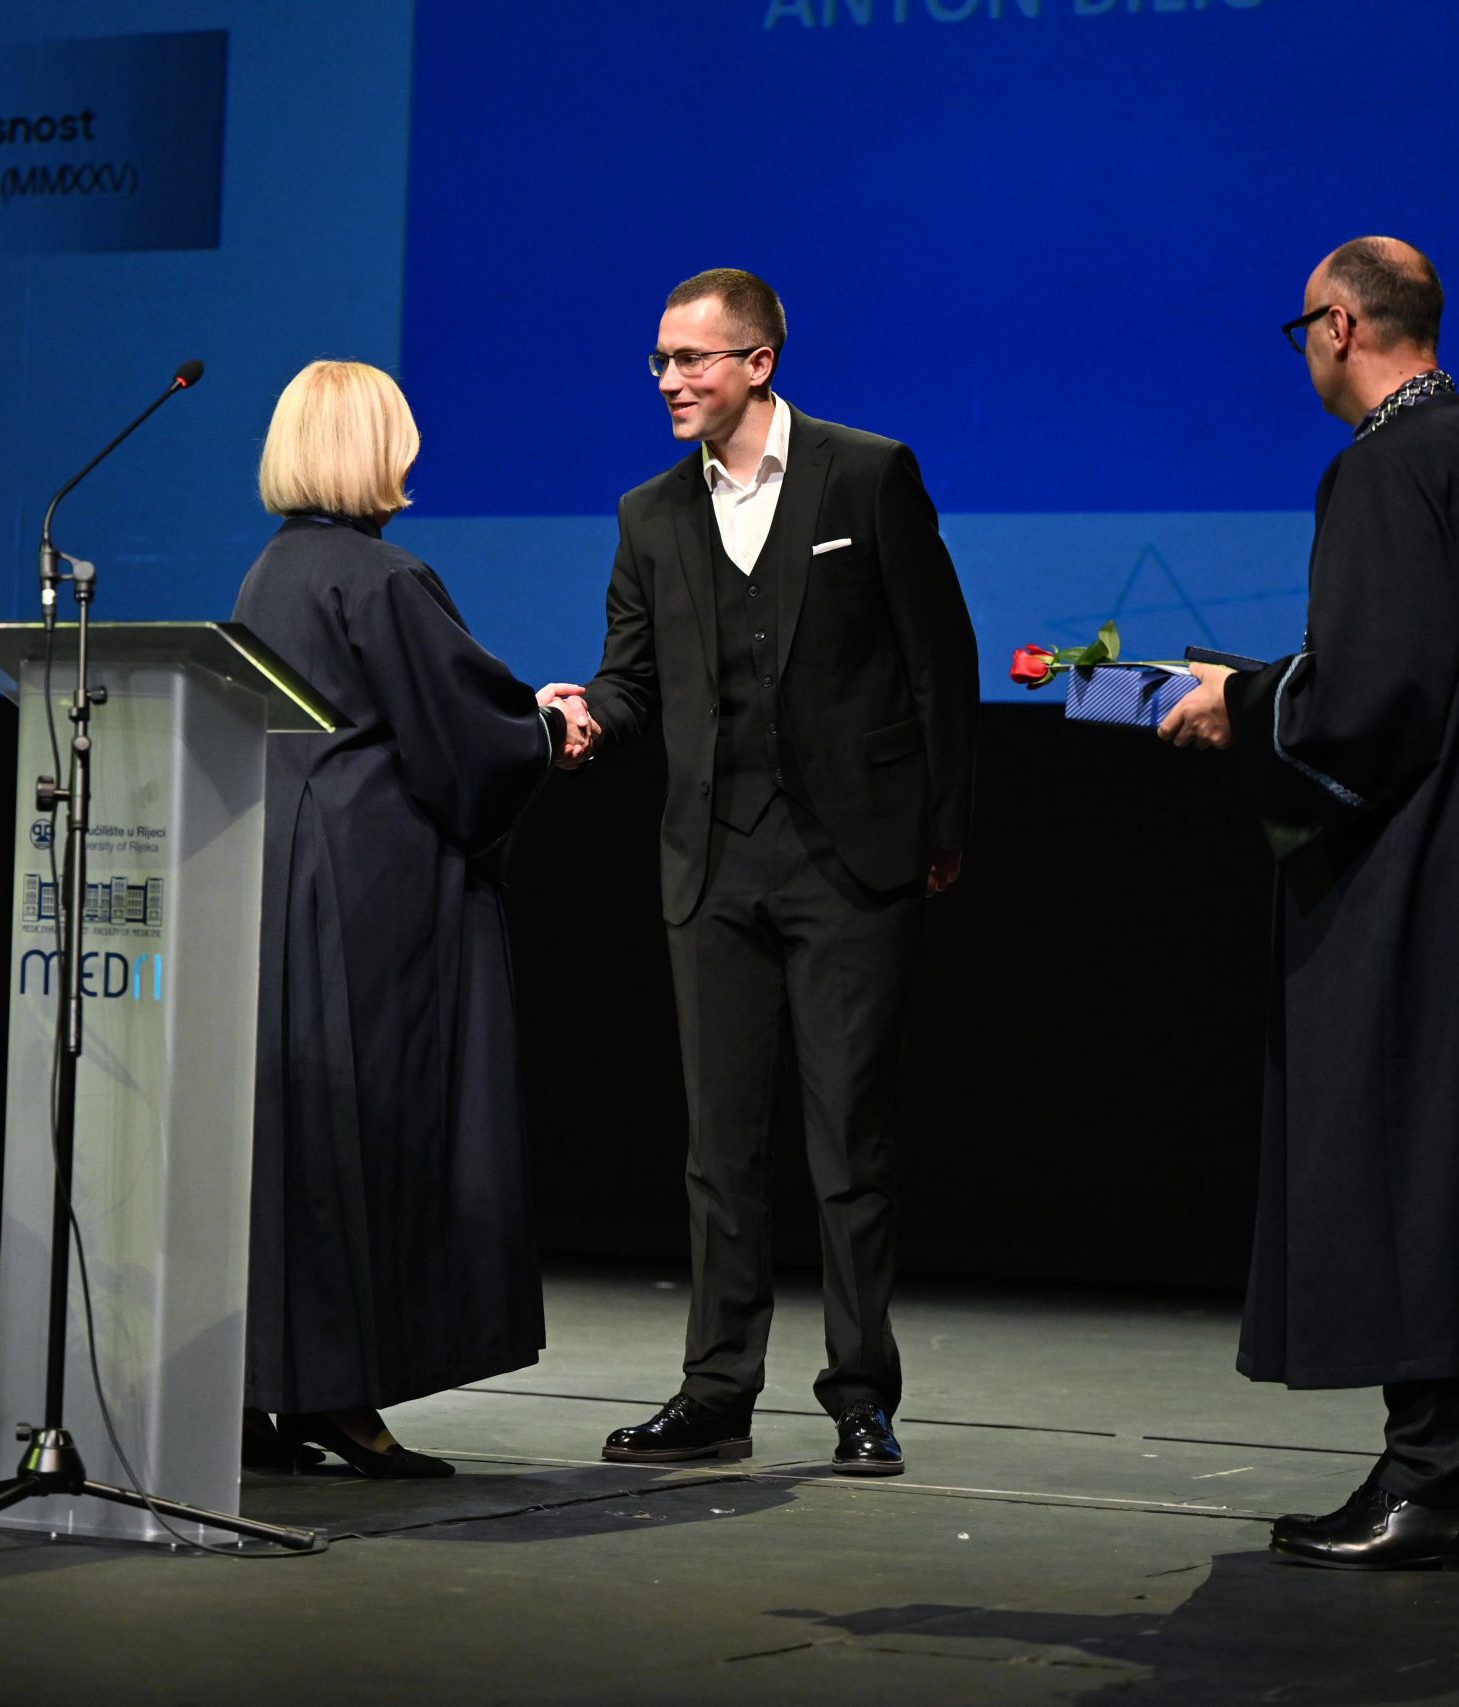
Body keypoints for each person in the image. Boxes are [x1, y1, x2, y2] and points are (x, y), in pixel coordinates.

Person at [1157, 237, 1459, 1567]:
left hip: (1413, 874)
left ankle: (1435, 1481)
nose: (1302, 350)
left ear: (1340, 326)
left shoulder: (1386, 465)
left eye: (1303, 327)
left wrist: (1240, 704)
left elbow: (1371, 696)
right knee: (1451, 1162)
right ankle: (1434, 1471)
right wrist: (1265, 685)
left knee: (1415, 1163)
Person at [541, 268, 978, 1477]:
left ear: (757, 364)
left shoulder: (865, 474)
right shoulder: (648, 515)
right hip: (712, 860)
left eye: (691, 359)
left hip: (849, 855)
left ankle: (860, 1394)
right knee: (720, 1147)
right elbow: (632, 676)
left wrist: (941, 828)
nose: (669, 381)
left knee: (849, 1140)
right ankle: (716, 1393)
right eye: (660, 360)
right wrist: (587, 718)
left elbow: (939, 658)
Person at [231, 360, 565, 1478]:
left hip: (282, 875)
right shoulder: (384, 577)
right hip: (370, 888)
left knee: (294, 1144)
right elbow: (463, 735)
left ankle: (269, 1389)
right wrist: (544, 726)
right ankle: (339, 1394)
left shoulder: (272, 570)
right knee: (368, 1136)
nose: (416, 452)